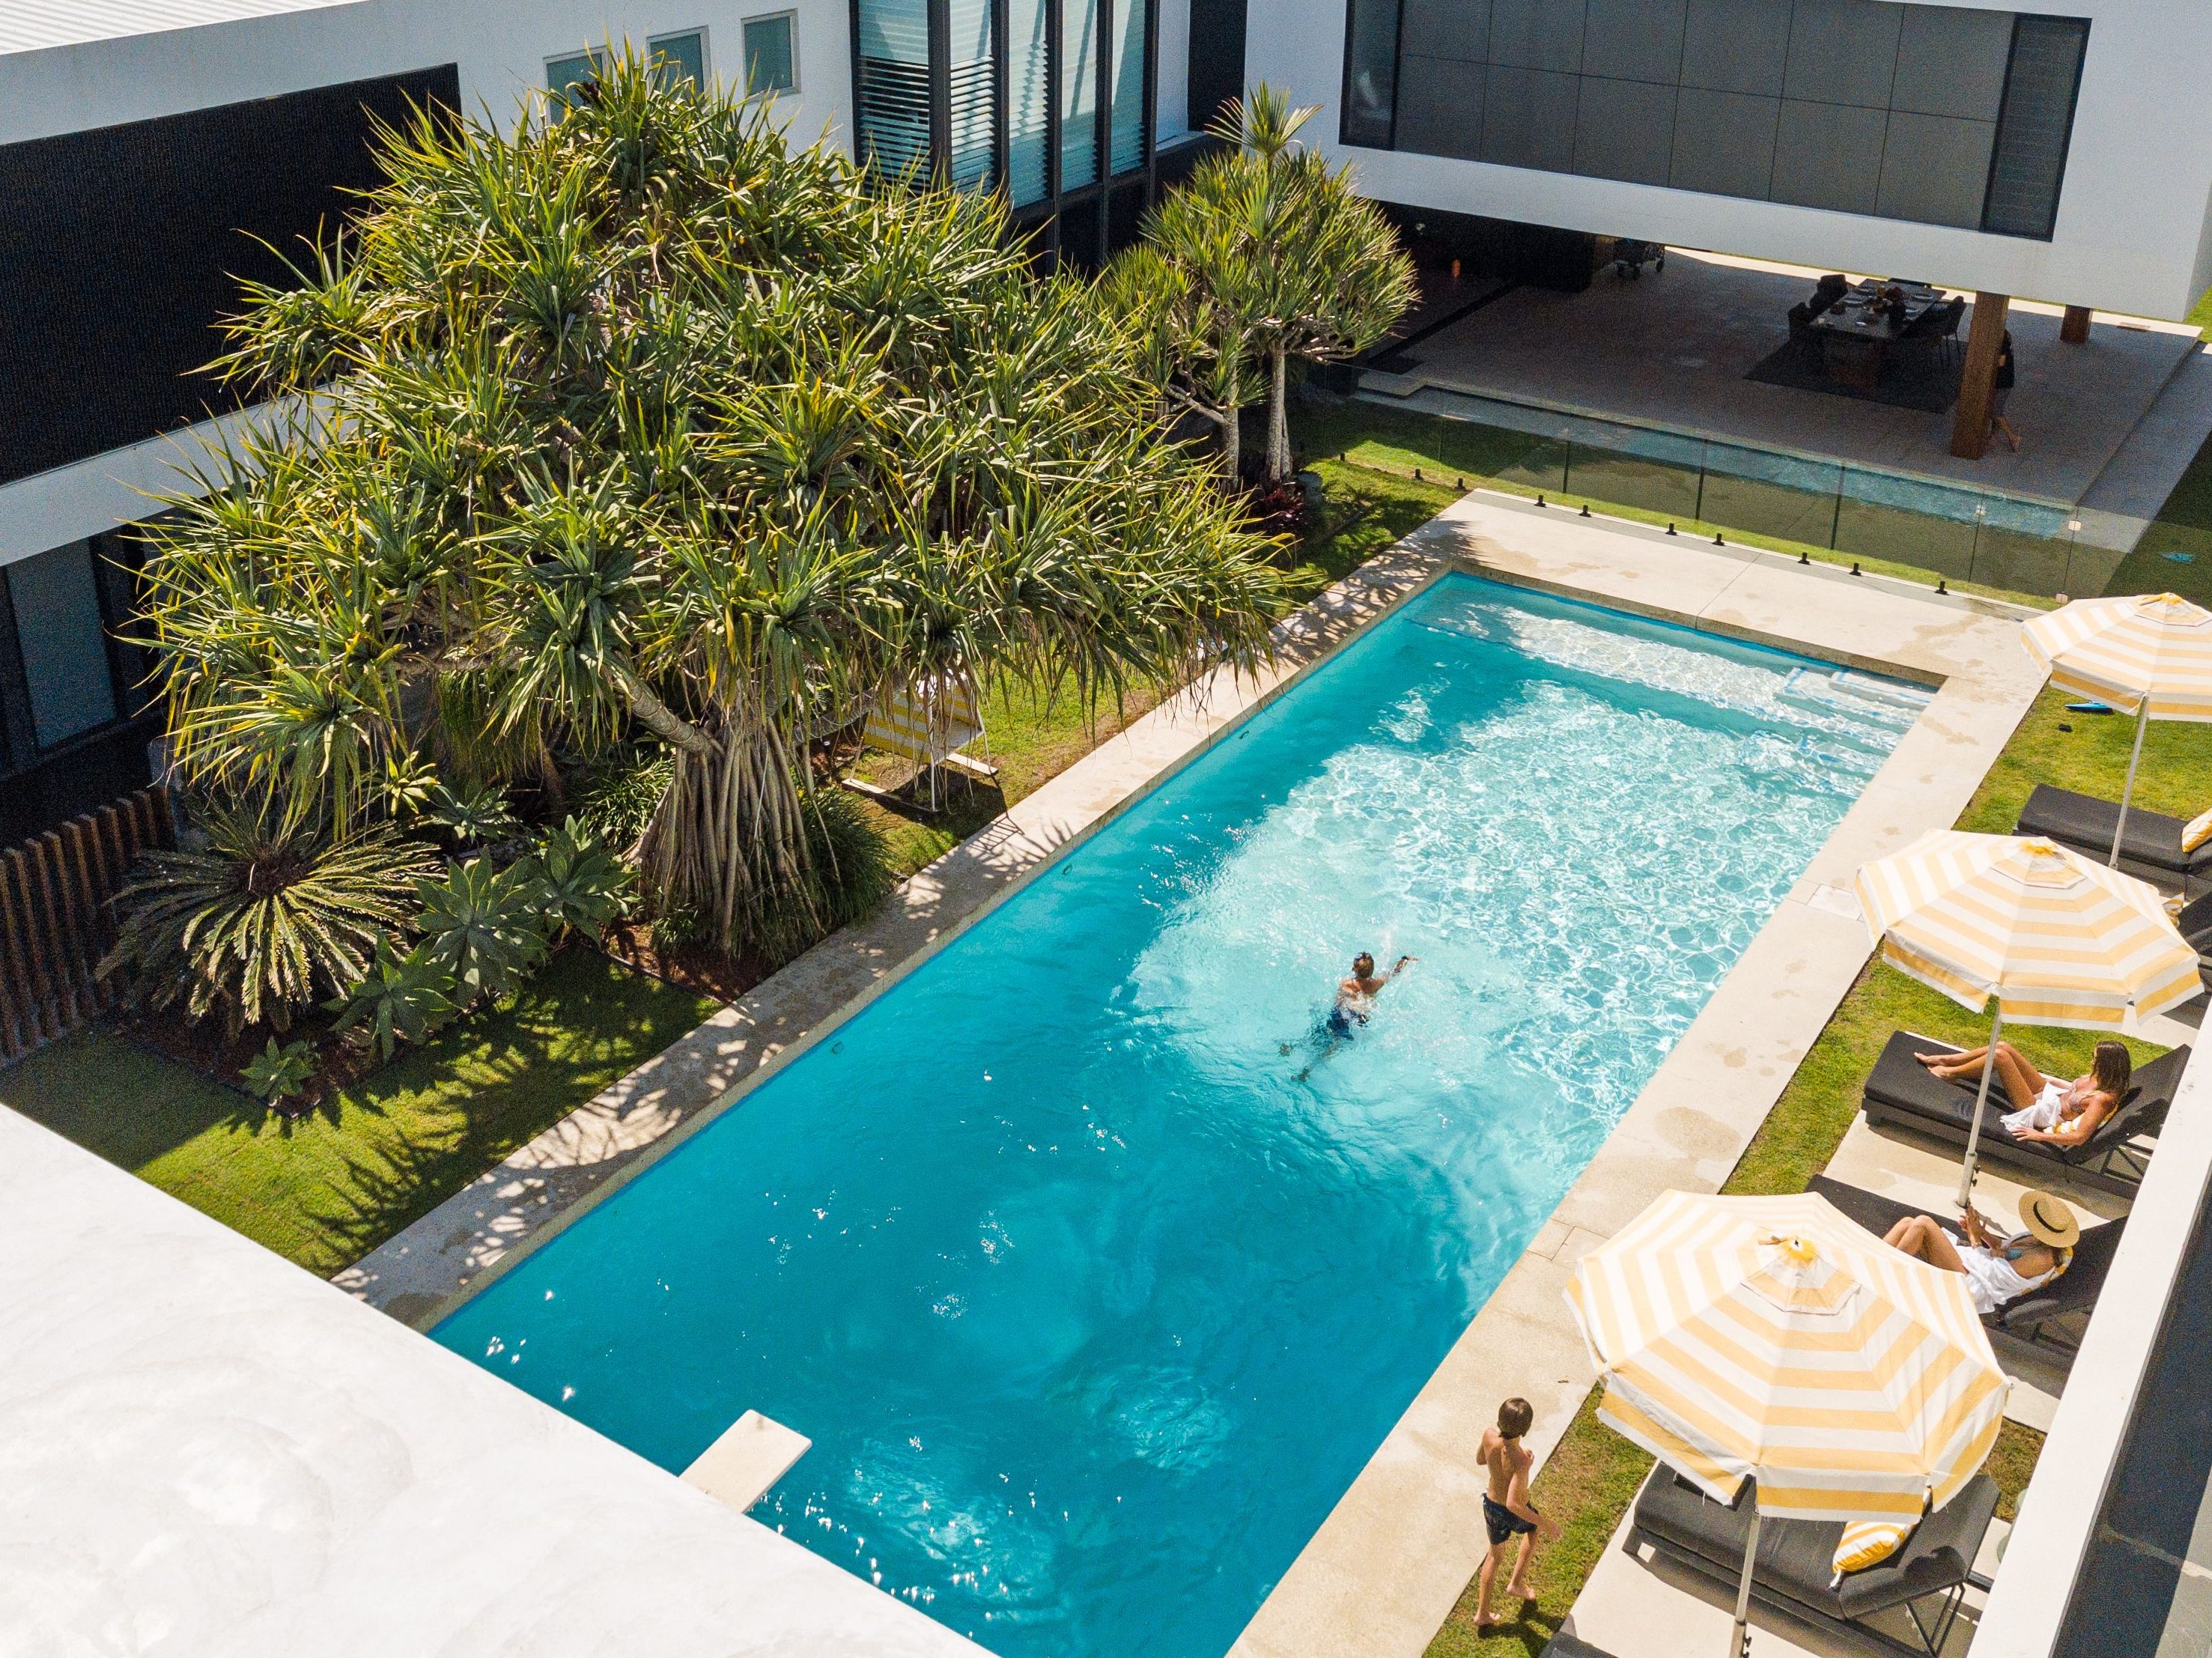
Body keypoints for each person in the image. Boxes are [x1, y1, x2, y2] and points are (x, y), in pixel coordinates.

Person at [1882, 1189, 2079, 1317]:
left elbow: (1993, 1273)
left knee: (1923, 1224)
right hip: (1974, 1268)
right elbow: (2004, 1246)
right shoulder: (2035, 1237)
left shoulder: (2042, 1258)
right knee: (1909, 1222)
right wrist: (1979, 1231)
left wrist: (1975, 1240)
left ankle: (1881, 1275)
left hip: (1975, 1285)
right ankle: (1871, 1257)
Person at [1915, 1039, 2130, 1148]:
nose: (2091, 1061)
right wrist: (2053, 1084)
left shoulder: (2103, 1099)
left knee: (2001, 1057)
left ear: (2107, 1065)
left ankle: (1950, 1074)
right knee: (2003, 1046)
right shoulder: (2100, 1078)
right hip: (2049, 1095)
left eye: (2095, 1059)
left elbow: (2080, 1137)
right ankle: (1947, 1060)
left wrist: (2039, 1135)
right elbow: (2073, 1095)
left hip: (2039, 1113)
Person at [1474, 1397, 1559, 1629]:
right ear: (1526, 1429)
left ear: (1499, 1418)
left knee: (1495, 1555)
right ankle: (1516, 1584)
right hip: (1510, 1511)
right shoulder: (1521, 1460)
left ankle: (1482, 1614)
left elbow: (1481, 1459)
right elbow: (1513, 1503)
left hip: (1490, 1506)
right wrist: (1546, 1523)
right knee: (1532, 1531)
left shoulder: (1488, 1435)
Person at [1989, 329, 2020, 452]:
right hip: (2006, 379)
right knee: (1996, 407)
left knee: (1995, 411)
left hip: (2003, 381)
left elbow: (2001, 361)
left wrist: (1986, 362)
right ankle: (1993, 436)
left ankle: (2013, 437)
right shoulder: (2006, 335)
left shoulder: (2001, 338)